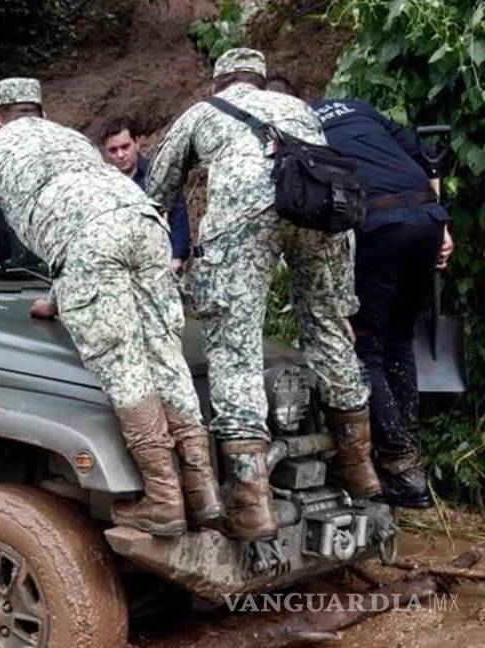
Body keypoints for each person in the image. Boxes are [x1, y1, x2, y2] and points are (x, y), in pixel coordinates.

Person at [0, 78, 222, 537]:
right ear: (40, 111)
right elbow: (90, 214)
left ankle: (163, 500)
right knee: (165, 354)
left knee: (123, 366)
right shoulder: (72, 139)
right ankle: (203, 492)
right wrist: (58, 299)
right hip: (145, 224)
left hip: (91, 246)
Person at [146, 48, 377, 539]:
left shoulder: (202, 114)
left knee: (235, 345)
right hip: (319, 210)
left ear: (219, 83)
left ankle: (252, 503)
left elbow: (157, 191)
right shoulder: (298, 109)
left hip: (245, 220)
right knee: (329, 327)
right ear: (261, 79)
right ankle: (359, 466)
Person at [309, 96, 455, 508]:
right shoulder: (358, 107)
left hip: (379, 224)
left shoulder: (300, 124)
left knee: (367, 346)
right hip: (425, 218)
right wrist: (442, 223)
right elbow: (423, 157)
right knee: (399, 339)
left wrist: (334, 290)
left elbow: (319, 198)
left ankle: (399, 466)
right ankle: (409, 456)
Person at [99, 116, 191, 270]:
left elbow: (178, 217)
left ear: (136, 142)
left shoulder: (159, 175)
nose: (120, 155)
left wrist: (177, 257)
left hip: (160, 263)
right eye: (113, 150)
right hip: (122, 266)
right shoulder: (103, 184)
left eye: (125, 147)